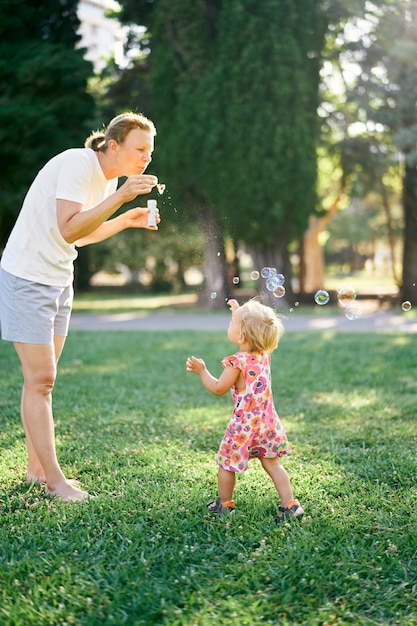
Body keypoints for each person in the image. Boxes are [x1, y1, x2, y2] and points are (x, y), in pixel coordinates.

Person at [0, 111, 161, 502]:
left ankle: (37, 471)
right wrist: (124, 196)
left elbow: (82, 236)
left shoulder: (109, 182)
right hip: (28, 276)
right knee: (41, 380)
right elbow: (68, 227)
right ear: (113, 145)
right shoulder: (77, 163)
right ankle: (56, 483)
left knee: (41, 382)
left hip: (58, 279)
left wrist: (125, 220)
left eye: (150, 153)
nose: (146, 159)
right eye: (140, 149)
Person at [186, 298, 304, 523]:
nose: (230, 324)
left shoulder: (236, 363)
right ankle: (290, 504)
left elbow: (218, 388)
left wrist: (202, 371)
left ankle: (224, 504)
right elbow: (254, 330)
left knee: (226, 463)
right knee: (272, 463)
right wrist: (239, 312)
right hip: (267, 422)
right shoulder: (263, 356)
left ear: (241, 337)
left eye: (232, 323)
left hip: (243, 426)